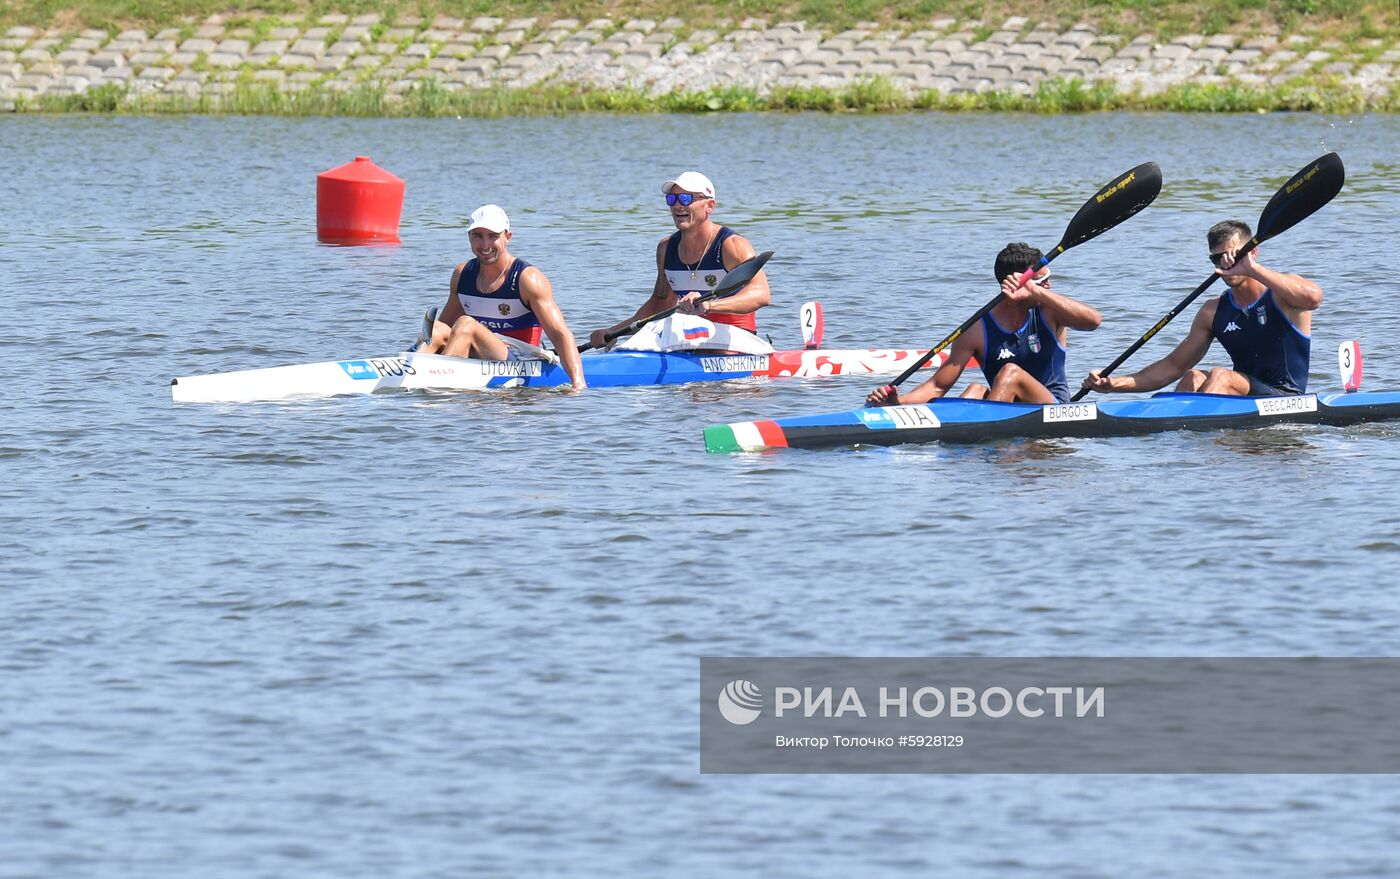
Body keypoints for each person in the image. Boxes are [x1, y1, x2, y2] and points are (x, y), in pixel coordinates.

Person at [1081, 219, 1322, 397]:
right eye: (1217, 259)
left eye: (1234, 256)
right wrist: (1114, 384)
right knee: (1192, 376)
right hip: (1244, 393)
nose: (1226, 263)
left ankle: (1198, 438)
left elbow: (1313, 298)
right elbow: (1172, 366)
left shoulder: (1282, 293)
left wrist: (1252, 269)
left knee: (1220, 375)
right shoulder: (1212, 311)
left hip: (1285, 396)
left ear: (1253, 252)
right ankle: (1180, 449)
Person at [866, 242, 1102, 407]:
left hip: (1053, 406)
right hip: (1005, 405)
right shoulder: (976, 330)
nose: (1049, 286)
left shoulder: (1050, 311)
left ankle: (981, 435)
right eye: (1042, 281)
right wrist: (897, 402)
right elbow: (938, 385)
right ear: (1016, 284)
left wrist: (1037, 292)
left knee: (1010, 373)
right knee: (974, 390)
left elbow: (1094, 321)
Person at [587, 172, 770, 349]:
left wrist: (708, 305)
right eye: (672, 200)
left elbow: (761, 294)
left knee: (670, 326)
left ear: (710, 206)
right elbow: (660, 304)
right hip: (689, 339)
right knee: (656, 330)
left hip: (738, 340)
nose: (677, 206)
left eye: (685, 199)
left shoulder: (731, 246)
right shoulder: (666, 249)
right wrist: (613, 332)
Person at [417, 204, 586, 390]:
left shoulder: (528, 279)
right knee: (436, 328)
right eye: (478, 236)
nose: (485, 245)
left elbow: (560, 335)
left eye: (493, 236)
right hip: (481, 353)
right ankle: (412, 372)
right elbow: (444, 329)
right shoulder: (462, 274)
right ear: (469, 238)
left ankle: (437, 388)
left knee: (466, 324)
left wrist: (578, 384)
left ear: (508, 237)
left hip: (522, 360)